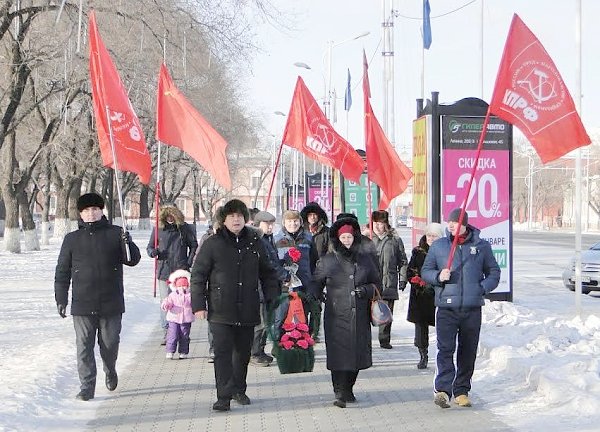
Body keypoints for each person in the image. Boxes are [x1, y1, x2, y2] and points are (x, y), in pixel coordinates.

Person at [191, 199, 279, 412]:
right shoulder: (213, 243)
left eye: (240, 215)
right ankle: (223, 396)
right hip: (220, 309)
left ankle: (239, 389)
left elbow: (268, 272)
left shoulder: (255, 242)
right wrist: (198, 305)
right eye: (231, 216)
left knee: (242, 353)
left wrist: (272, 297)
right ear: (224, 220)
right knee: (222, 353)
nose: (236, 219)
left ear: (245, 218)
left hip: (248, 306)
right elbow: (198, 275)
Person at [54, 192, 141, 401]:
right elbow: (62, 271)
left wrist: (128, 243)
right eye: (86, 211)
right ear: (80, 214)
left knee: (109, 344)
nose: (91, 214)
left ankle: (110, 368)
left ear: (101, 211)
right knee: (83, 346)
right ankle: (87, 386)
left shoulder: (116, 233)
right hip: (83, 304)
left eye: (95, 209)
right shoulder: (72, 239)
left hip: (110, 302)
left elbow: (132, 260)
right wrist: (61, 298)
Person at [421, 208, 501, 409]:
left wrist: (482, 288)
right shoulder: (440, 246)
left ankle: (462, 390)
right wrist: (439, 277)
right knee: (445, 349)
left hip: (472, 308)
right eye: (449, 222)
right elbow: (426, 271)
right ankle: (443, 390)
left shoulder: (481, 246)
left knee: (468, 351)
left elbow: (494, 272)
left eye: (455, 222)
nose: (451, 225)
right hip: (447, 308)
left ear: (464, 225)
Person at [312, 217, 381, 408]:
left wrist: (366, 291)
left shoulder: (366, 259)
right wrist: (312, 300)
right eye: (343, 237)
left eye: (349, 236)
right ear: (337, 238)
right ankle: (339, 391)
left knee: (356, 355)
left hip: (359, 315)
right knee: (338, 355)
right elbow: (315, 284)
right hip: (337, 316)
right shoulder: (328, 261)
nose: (347, 240)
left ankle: (349, 388)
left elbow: (377, 284)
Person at [147, 205, 198, 345]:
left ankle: (183, 330)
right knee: (166, 301)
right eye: (167, 216)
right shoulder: (158, 229)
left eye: (172, 215)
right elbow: (150, 247)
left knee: (183, 301)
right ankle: (167, 331)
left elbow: (194, 245)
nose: (170, 218)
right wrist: (153, 252)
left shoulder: (184, 229)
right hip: (164, 270)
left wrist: (188, 261)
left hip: (181, 271)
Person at [250, 210, 289, 366]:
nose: (270, 227)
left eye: (272, 224)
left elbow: (273, 261)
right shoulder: (257, 241)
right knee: (261, 324)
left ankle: (260, 350)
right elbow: (268, 264)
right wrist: (283, 274)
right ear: (258, 225)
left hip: (270, 288)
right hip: (260, 288)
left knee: (267, 321)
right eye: (267, 224)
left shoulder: (268, 239)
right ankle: (254, 353)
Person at [406, 222, 444, 369]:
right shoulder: (418, 251)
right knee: (421, 328)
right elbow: (411, 271)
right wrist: (418, 282)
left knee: (442, 325)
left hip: (438, 294)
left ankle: (442, 355)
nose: (431, 238)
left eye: (434, 236)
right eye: (429, 235)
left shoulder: (445, 251)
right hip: (421, 295)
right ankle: (423, 354)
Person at [370, 210, 408, 350]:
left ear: (386, 224)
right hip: (370, 283)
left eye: (381, 224)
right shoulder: (367, 239)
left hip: (388, 281)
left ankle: (384, 340)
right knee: (368, 312)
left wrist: (403, 278)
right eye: (376, 223)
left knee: (385, 313)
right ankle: (366, 340)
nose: (378, 227)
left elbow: (403, 261)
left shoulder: (394, 240)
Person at [162, 270, 195, 360]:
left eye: (184, 285)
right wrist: (167, 305)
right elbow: (167, 301)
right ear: (175, 286)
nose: (182, 288)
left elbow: (193, 303)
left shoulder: (189, 295)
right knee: (172, 335)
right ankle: (170, 351)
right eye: (180, 286)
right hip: (174, 318)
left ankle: (183, 351)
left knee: (184, 336)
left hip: (186, 319)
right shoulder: (172, 295)